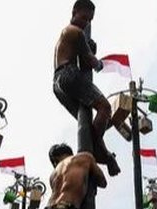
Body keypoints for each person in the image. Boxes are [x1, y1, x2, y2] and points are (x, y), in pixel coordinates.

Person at [53, 0, 120, 177]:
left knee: (87, 125)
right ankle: (98, 149)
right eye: (84, 18)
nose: (86, 23)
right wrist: (99, 64)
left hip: (58, 83)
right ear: (74, 12)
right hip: (70, 74)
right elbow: (89, 60)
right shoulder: (75, 32)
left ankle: (102, 153)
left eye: (89, 20)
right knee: (105, 108)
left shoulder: (66, 33)